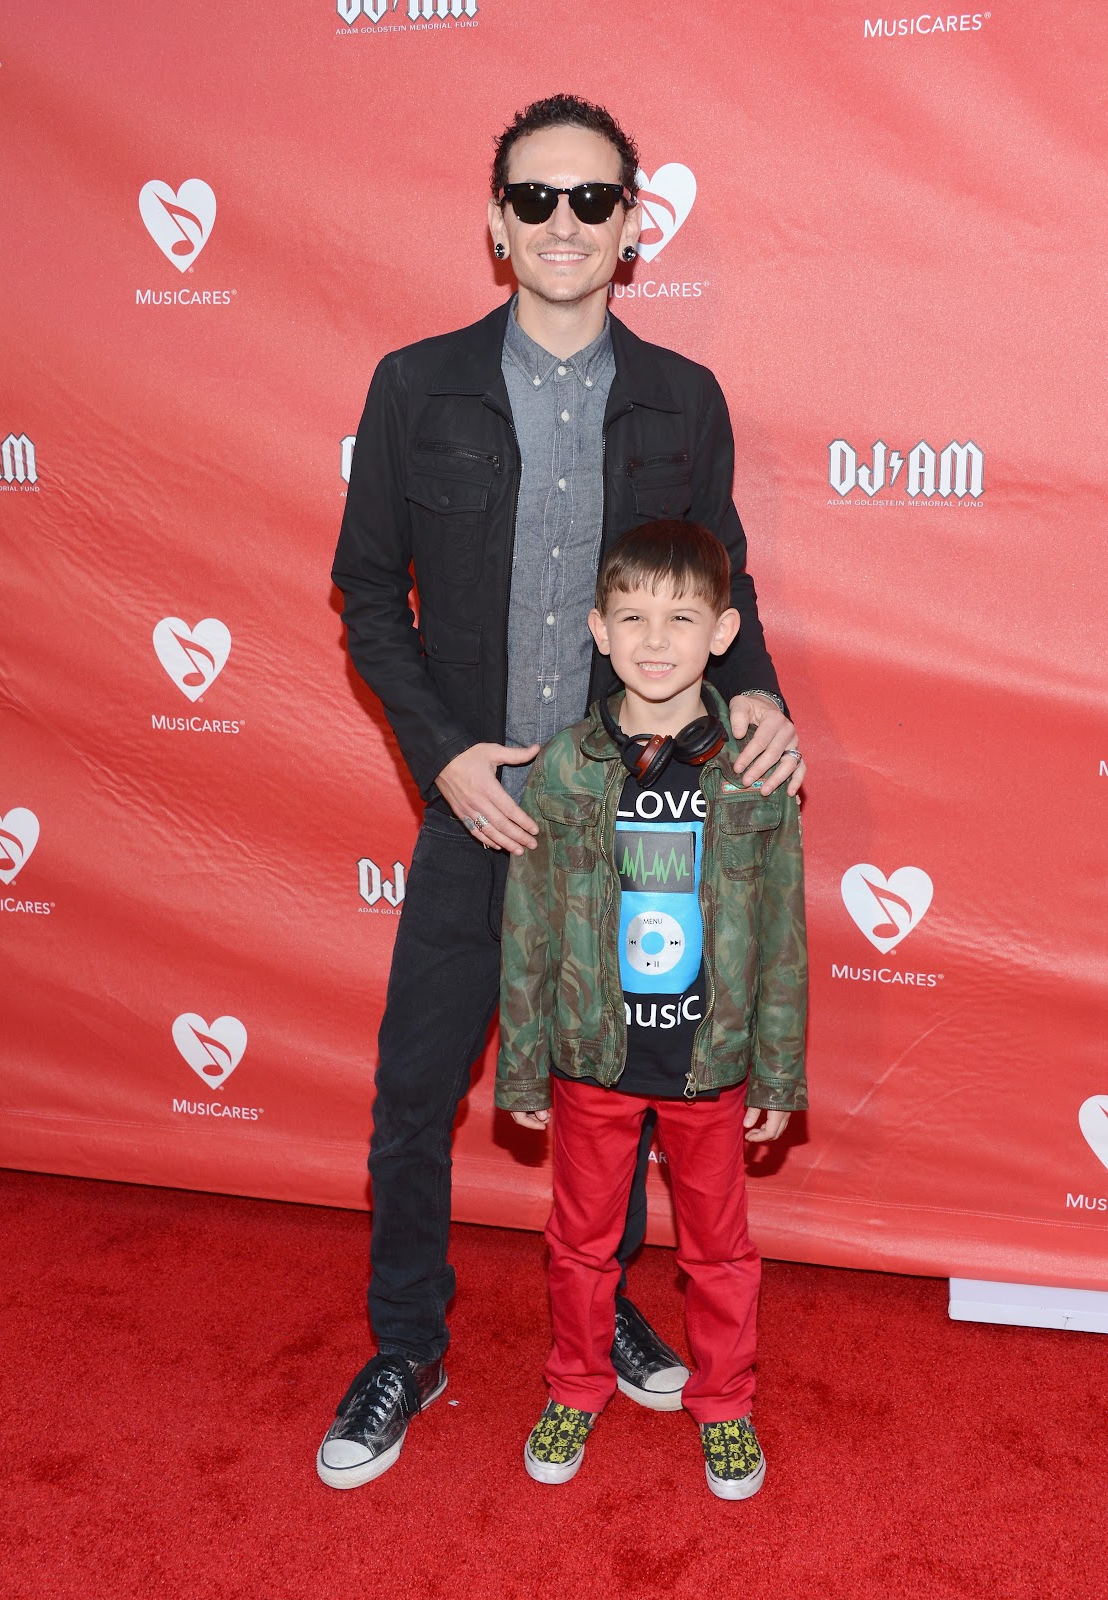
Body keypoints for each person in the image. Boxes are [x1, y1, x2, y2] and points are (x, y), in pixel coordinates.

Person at [322, 92, 805, 1490]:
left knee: (633, 1094)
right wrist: (448, 759)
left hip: (635, 819)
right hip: (479, 807)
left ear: (631, 228)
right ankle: (409, 1345)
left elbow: (723, 591)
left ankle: (611, 1311)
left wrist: (757, 687)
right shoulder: (415, 386)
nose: (562, 224)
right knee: (417, 1090)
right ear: (495, 220)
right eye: (534, 198)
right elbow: (365, 593)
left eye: (592, 200)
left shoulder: (683, 401)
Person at [496, 520, 807, 1498]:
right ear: (596, 628)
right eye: (631, 617)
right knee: (579, 1242)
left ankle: (723, 1404)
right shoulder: (562, 767)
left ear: (722, 631)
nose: (655, 638)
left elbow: (783, 932)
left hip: (706, 1067)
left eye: (680, 618)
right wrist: (520, 1065)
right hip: (592, 1059)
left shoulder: (753, 768)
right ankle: (574, 1385)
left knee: (718, 1251)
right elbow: (530, 925)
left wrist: (777, 1067)